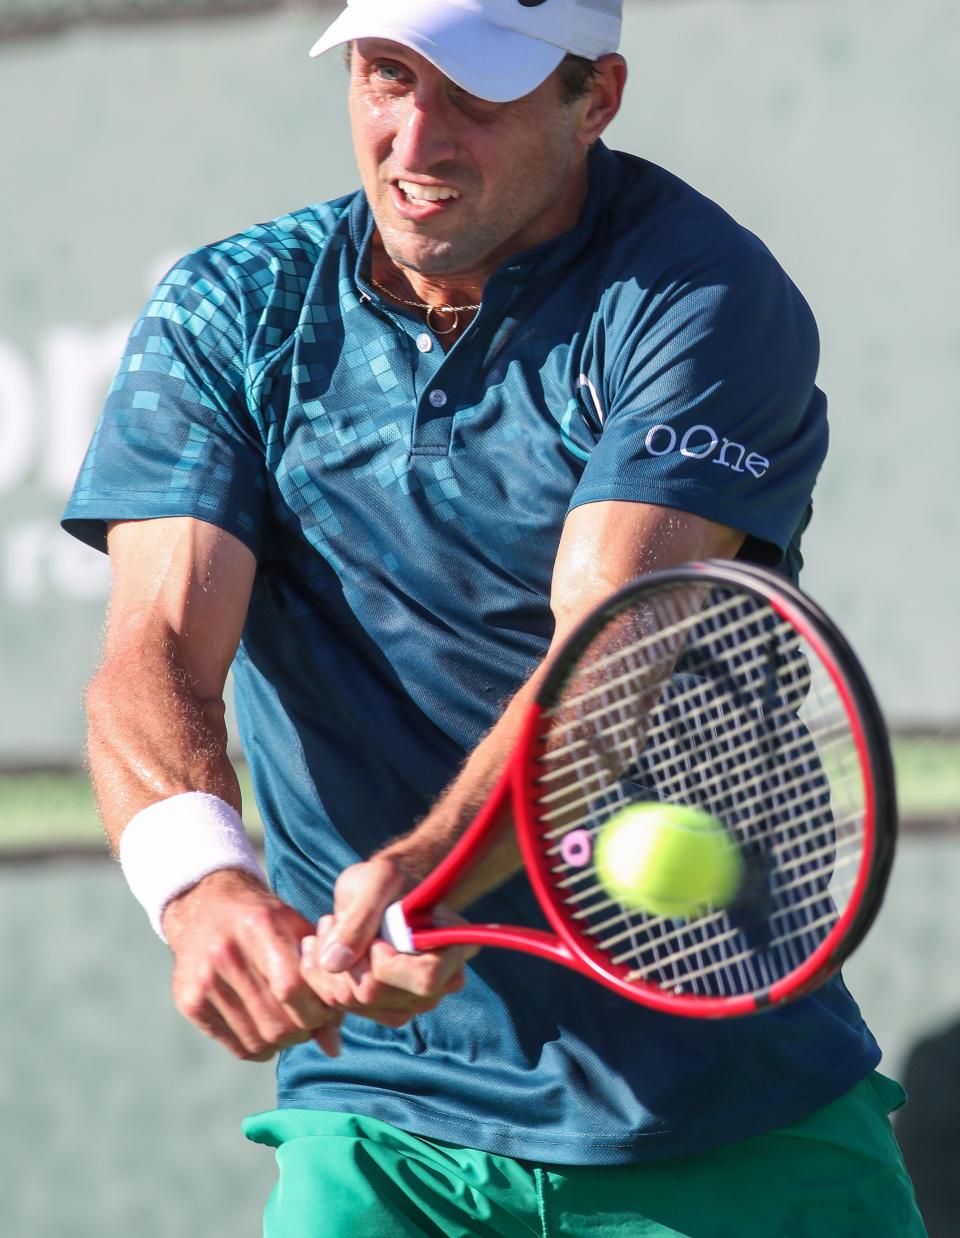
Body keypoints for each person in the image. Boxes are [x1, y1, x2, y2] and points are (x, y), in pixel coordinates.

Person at [63, 1, 926, 1234]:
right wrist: (200, 884)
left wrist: (434, 872)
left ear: (599, 98)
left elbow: (612, 644)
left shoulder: (698, 293)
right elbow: (152, 646)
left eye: (477, 96)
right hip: (376, 1128)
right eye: (385, 77)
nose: (417, 139)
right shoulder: (231, 311)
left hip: (732, 1117)